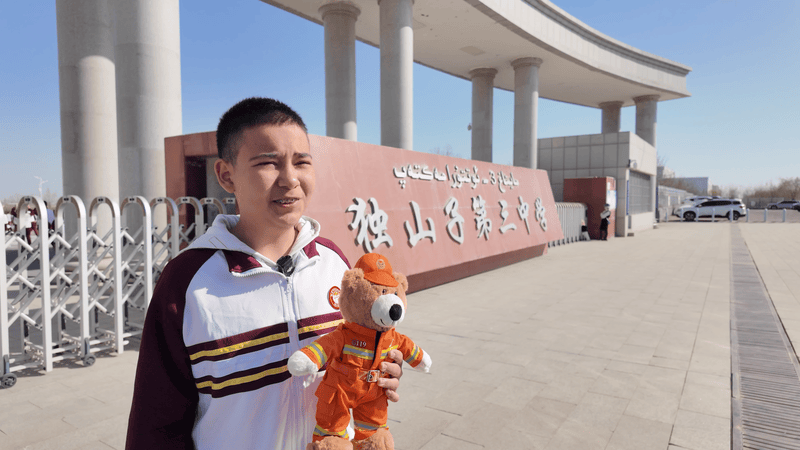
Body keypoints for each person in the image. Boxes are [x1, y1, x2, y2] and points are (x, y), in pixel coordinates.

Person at [125, 98, 403, 450]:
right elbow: (156, 424)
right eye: (268, 163)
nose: (290, 179)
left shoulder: (335, 263)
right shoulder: (186, 280)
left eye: (301, 162)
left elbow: (358, 348)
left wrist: (380, 369)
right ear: (226, 175)